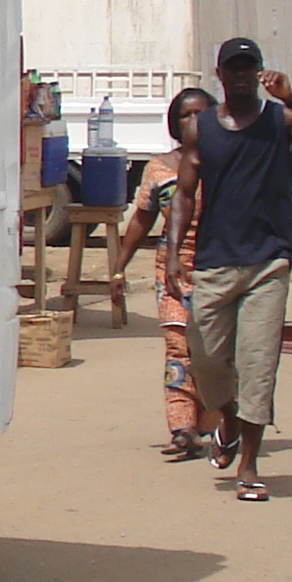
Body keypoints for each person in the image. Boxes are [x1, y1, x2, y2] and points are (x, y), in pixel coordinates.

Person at [173, 36, 292, 502]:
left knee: (258, 365)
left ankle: (249, 465)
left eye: (250, 67)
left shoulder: (280, 119)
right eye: (235, 67)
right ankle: (227, 417)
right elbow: (184, 193)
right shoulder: (202, 128)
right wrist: (172, 253)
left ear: (261, 72)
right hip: (214, 261)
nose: (243, 75)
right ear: (220, 75)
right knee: (206, 361)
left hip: (268, 261)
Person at [111, 86, 217, 459]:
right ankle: (182, 428)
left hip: (220, 265)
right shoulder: (159, 168)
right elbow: (142, 219)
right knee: (179, 348)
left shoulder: (226, 161)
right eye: (186, 115)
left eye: (201, 114)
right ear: (174, 123)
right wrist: (119, 267)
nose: (194, 121)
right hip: (173, 268)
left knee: (215, 351)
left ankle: (214, 422)